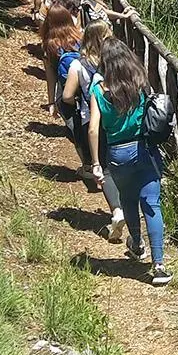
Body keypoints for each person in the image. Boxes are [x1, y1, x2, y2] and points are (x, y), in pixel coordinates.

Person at [88, 39, 170, 285]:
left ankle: (137, 244)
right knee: (152, 204)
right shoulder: (140, 83)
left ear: (104, 62)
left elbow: (93, 129)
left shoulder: (98, 90)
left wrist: (95, 163)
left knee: (128, 200)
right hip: (144, 149)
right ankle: (158, 266)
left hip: (117, 152)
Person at [62, 19, 125, 241]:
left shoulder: (78, 65)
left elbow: (67, 97)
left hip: (93, 121)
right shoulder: (116, 63)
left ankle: (117, 210)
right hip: (119, 119)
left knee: (105, 168)